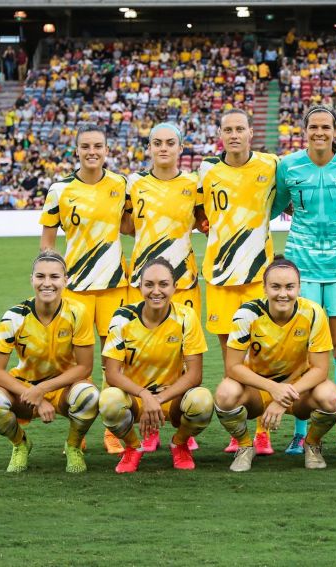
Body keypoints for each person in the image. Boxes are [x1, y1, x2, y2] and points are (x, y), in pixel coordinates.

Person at [272, 105, 336, 455]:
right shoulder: (288, 166)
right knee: (302, 352)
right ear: (304, 130)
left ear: (335, 130)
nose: (319, 132)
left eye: (326, 127)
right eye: (313, 126)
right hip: (302, 268)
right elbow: (276, 204)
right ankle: (300, 430)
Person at [39, 123, 130, 455]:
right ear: (76, 150)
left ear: (107, 150)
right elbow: (48, 242)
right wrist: (50, 278)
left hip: (114, 286)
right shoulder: (59, 190)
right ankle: (77, 434)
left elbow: (133, 225)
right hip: (75, 288)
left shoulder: (120, 184)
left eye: (98, 146)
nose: (92, 152)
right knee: (75, 363)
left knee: (113, 362)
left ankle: (112, 429)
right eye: (86, 147)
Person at [196, 108, 278, 456]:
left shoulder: (271, 165)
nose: (233, 134)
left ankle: (262, 432)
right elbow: (199, 214)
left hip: (259, 278)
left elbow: (284, 201)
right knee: (232, 360)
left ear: (250, 132)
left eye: (239, 128)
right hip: (220, 277)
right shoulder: (207, 170)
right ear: (220, 134)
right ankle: (238, 431)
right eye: (227, 129)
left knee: (259, 357)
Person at [214, 257, 336, 472]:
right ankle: (245, 446)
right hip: (258, 390)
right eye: (275, 287)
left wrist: (283, 398)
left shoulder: (313, 313)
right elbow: (233, 366)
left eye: (289, 287)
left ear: (299, 288)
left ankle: (312, 443)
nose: (283, 294)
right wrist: (273, 388)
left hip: (298, 392)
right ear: (264, 288)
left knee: (331, 396)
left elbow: (320, 369)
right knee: (226, 393)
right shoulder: (247, 314)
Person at [0, 251, 99, 473]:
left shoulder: (78, 312)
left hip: (64, 388)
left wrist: (43, 389)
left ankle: (73, 446)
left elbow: (84, 367)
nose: (47, 283)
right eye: (40, 276)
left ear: (65, 280)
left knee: (89, 397)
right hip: (24, 388)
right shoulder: (14, 317)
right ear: (31, 279)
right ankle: (20, 444)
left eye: (54, 277)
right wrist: (35, 396)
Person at [124, 123, 203, 453]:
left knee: (183, 358)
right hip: (143, 283)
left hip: (184, 282)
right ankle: (147, 424)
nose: (164, 148)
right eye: (157, 143)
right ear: (149, 147)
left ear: (181, 148)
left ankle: (183, 426)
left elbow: (204, 220)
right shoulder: (135, 183)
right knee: (142, 357)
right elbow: (126, 224)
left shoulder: (194, 184)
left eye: (171, 142)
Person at [99, 258, 213, 473]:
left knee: (202, 401)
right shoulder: (122, 317)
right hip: (136, 400)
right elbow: (112, 374)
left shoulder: (186, 317)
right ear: (139, 286)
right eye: (149, 284)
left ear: (174, 287)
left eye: (163, 284)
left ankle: (179, 444)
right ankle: (133, 447)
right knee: (108, 401)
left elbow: (195, 375)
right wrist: (145, 395)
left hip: (171, 400)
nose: (156, 291)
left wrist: (158, 399)